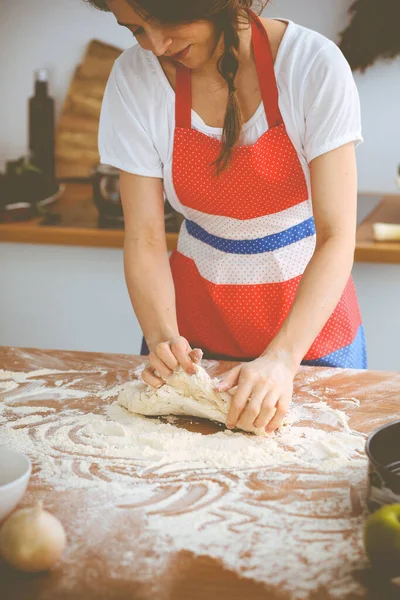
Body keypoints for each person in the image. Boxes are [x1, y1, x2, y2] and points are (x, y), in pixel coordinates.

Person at [88, 0, 367, 433]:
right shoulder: (135, 77)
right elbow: (143, 237)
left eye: (164, 19)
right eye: (136, 30)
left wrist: (282, 358)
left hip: (308, 327)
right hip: (194, 323)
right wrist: (163, 338)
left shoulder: (310, 64)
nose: (157, 44)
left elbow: (337, 236)